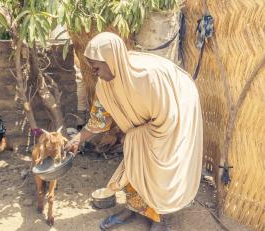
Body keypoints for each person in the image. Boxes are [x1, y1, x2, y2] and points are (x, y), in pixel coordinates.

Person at [64, 32, 203, 230]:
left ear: (112, 60)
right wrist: (79, 138)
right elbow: (99, 120)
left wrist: (137, 136)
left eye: (95, 68)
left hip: (177, 109)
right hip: (150, 122)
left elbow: (169, 116)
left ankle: (158, 219)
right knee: (134, 153)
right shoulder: (105, 86)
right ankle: (133, 207)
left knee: (156, 164)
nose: (93, 73)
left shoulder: (147, 78)